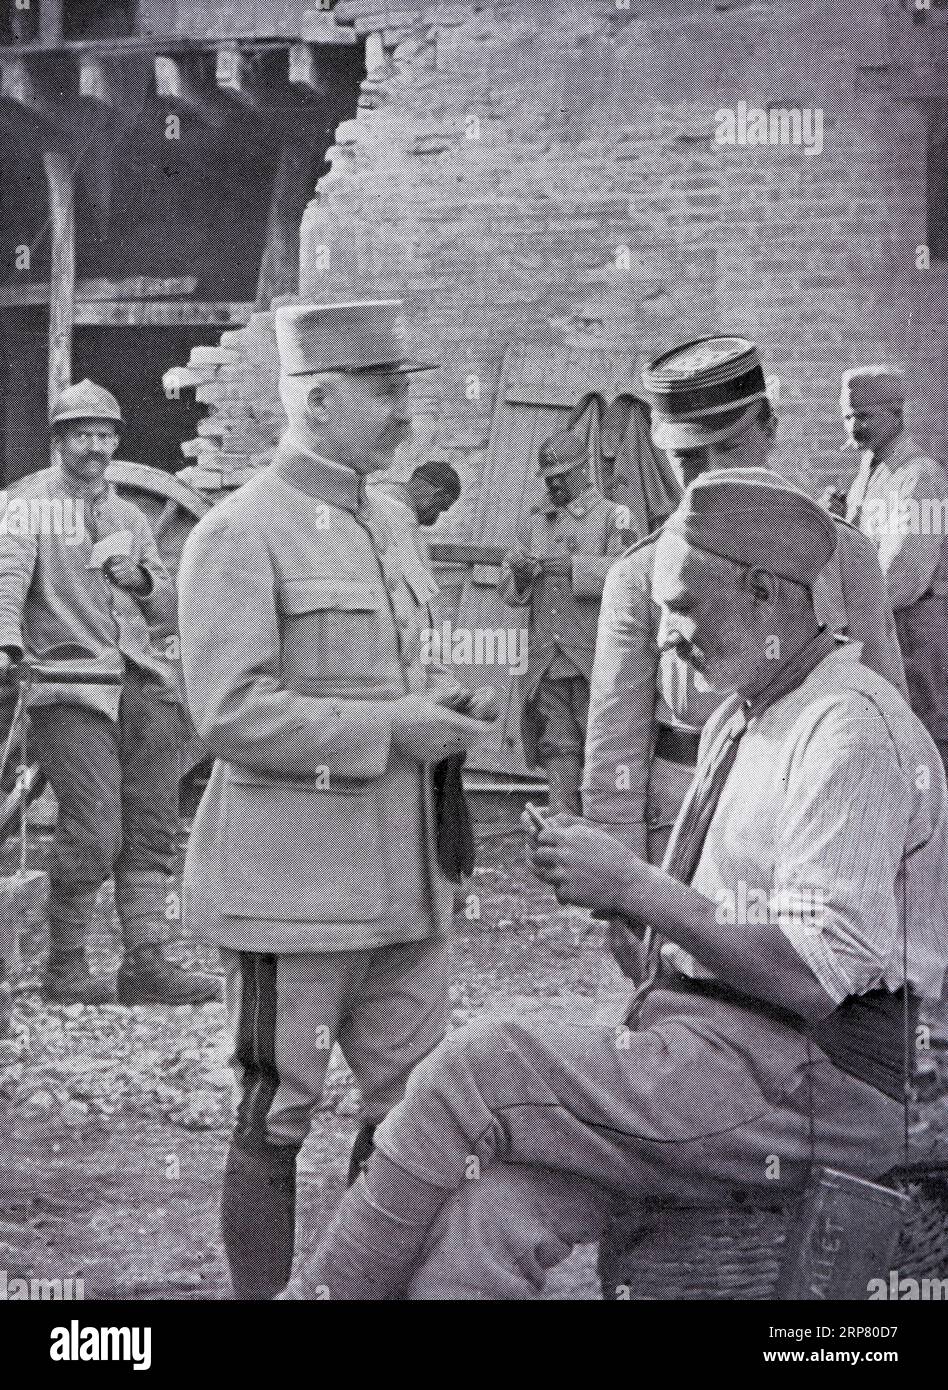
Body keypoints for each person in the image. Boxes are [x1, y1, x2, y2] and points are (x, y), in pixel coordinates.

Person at [281, 470, 948, 1301]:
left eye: (685, 607)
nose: (669, 636)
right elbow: (715, 940)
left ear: (767, 593)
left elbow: (813, 975)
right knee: (491, 1212)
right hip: (726, 1056)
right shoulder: (753, 710)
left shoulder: (851, 730)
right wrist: (619, 898)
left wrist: (634, 885)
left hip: (819, 1084)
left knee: (480, 1064)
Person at [176, 299, 497, 1300]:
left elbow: (390, 670)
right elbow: (229, 713)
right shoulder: (237, 533)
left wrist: (437, 701)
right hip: (296, 897)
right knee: (277, 1112)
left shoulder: (391, 516)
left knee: (411, 1116)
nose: (404, 413)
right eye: (385, 391)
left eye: (403, 389)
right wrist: (391, 731)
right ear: (317, 401)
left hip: (411, 885)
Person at [583, 337, 907, 871]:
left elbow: (887, 706)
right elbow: (615, 752)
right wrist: (623, 888)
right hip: (691, 819)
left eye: (731, 446)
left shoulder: (843, 553)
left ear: (770, 428)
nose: (712, 472)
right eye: (689, 458)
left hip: (824, 811)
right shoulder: (639, 576)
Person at [0, 379, 218, 1007]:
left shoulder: (126, 516)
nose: (94, 446)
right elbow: (9, 577)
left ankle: (145, 962)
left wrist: (142, 580)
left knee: (151, 823)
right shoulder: (34, 506)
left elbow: (166, 615)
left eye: (104, 435)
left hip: (140, 686)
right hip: (69, 687)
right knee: (94, 832)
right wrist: (6, 648)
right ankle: (66, 968)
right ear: (59, 440)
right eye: (81, 434)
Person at [499, 430, 631, 814]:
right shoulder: (535, 523)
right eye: (548, 477)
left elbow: (631, 578)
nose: (554, 483)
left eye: (562, 474)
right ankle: (564, 825)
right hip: (546, 659)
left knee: (600, 742)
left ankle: (604, 830)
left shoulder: (614, 516)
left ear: (584, 470)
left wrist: (576, 569)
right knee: (556, 745)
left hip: (592, 657)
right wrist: (521, 574)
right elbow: (510, 594)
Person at [837, 366, 948, 774]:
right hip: (884, 623)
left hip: (920, 632)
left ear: (896, 415)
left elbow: (906, 576)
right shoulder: (872, 471)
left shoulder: (921, 478)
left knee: (930, 740)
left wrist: (841, 607)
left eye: (866, 416)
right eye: (849, 416)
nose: (855, 426)